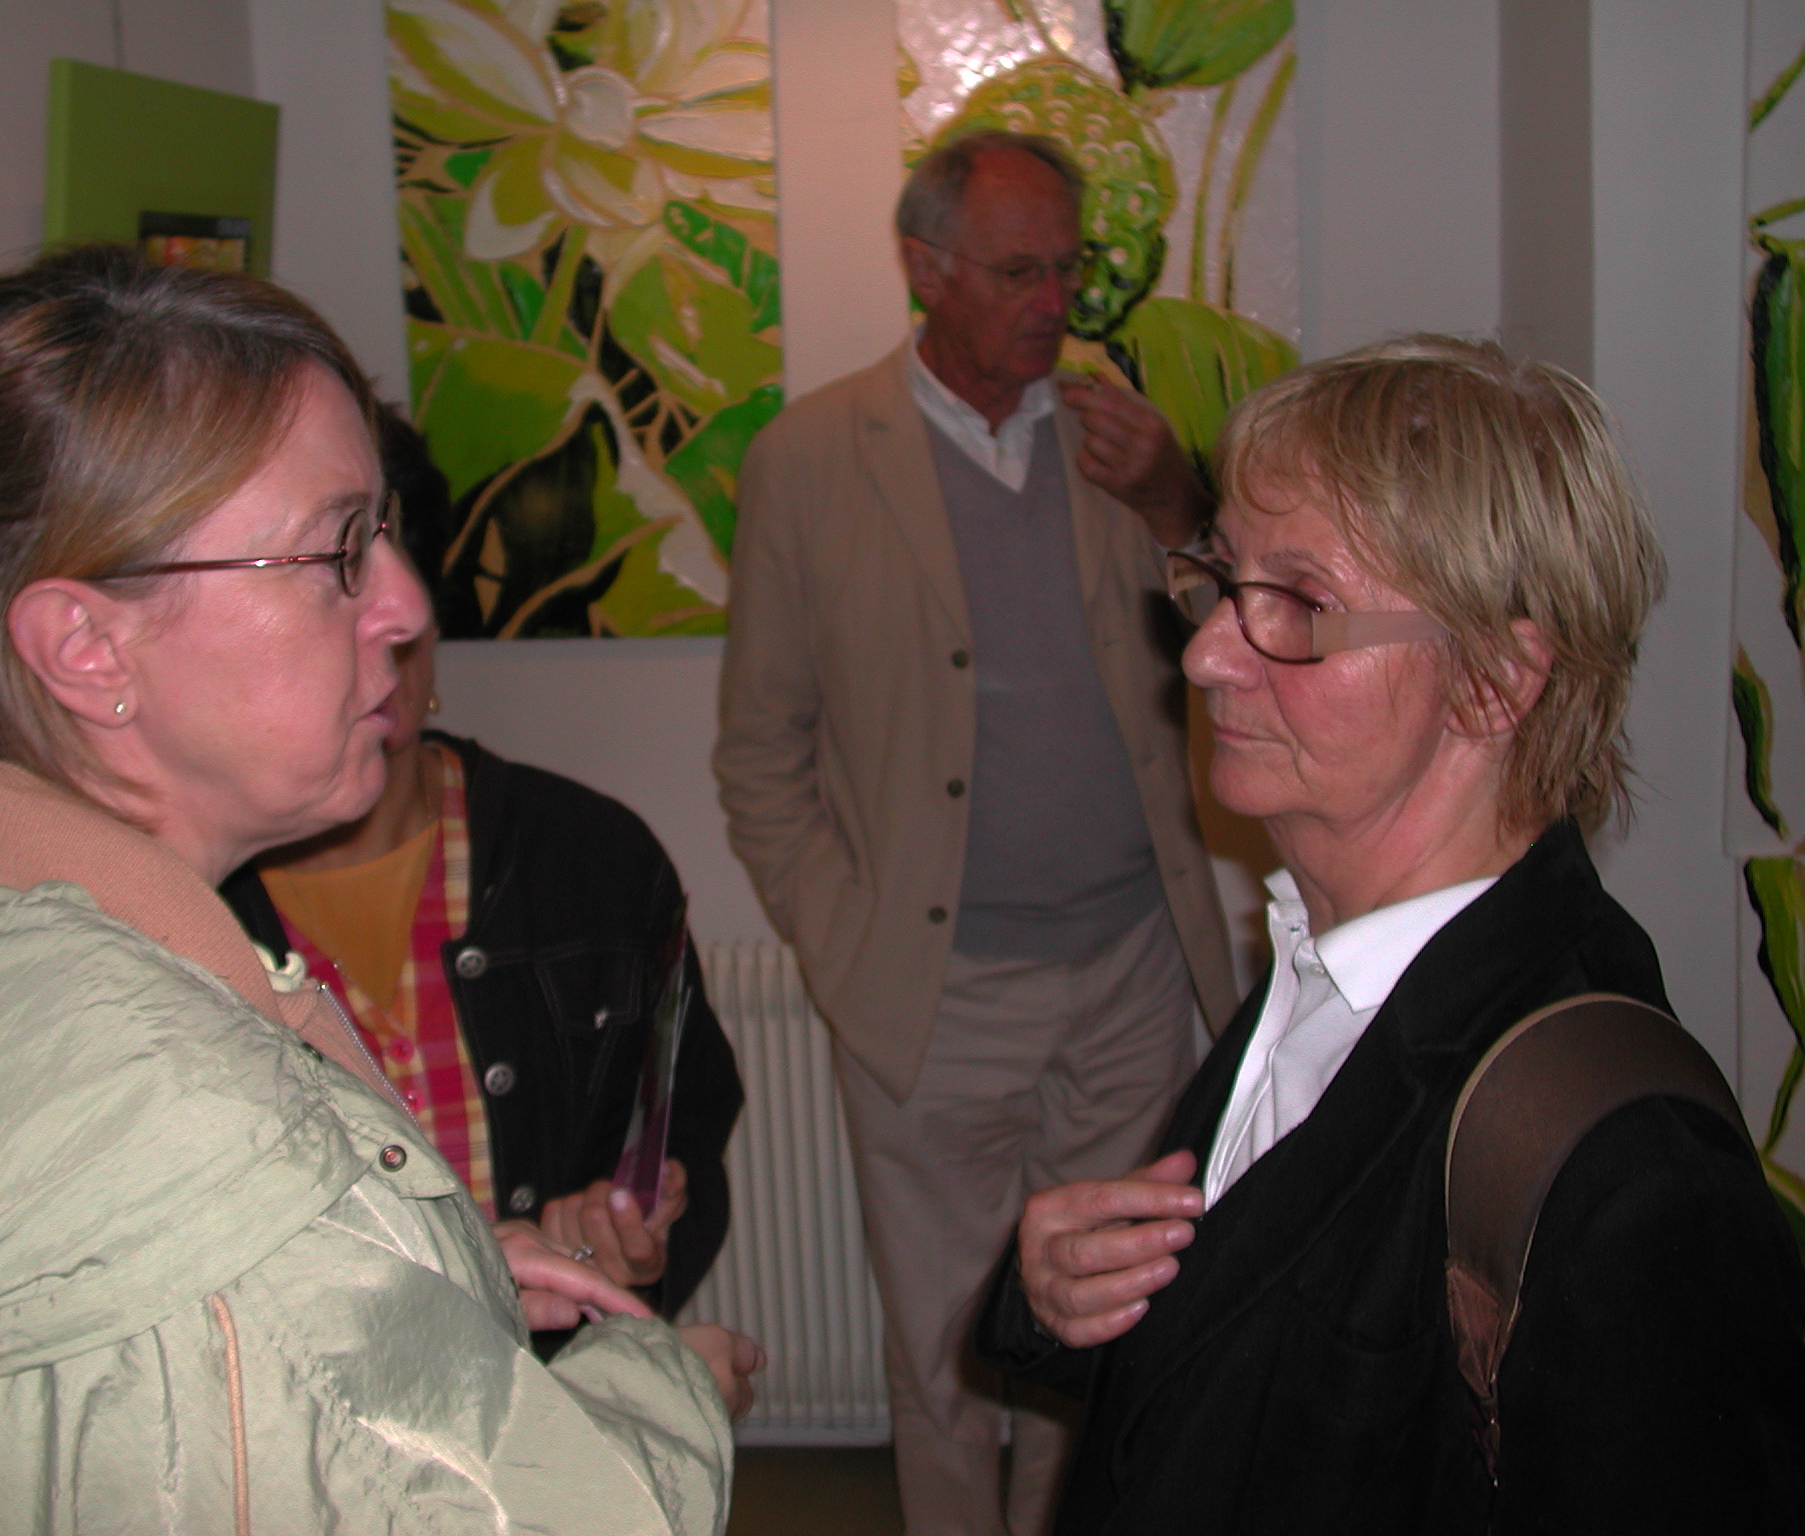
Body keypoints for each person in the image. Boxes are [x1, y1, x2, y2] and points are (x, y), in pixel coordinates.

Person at [0, 245, 758, 1533]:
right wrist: (666, 1388)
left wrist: (414, 1282)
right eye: (335, 552)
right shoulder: (184, 1143)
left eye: (383, 533)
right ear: (87, 648)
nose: (404, 606)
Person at [977, 335, 1805, 1532]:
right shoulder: (1320, 968)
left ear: (1493, 681)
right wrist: (1061, 1301)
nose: (1204, 653)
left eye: (1299, 604)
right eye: (1222, 575)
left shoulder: (1624, 1171)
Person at [715, 129, 1239, 1536]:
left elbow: (1235, 642)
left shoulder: (1118, 443)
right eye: (1016, 272)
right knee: (947, 1343)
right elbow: (759, 750)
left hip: (1131, 975)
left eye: (1066, 269)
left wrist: (1176, 499)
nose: (1052, 303)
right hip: (932, 995)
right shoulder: (809, 458)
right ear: (924, 267)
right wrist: (837, 934)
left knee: (1100, 1331)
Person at [220, 606, 745, 1318]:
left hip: (563, 1371)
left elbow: (688, 1124)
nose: (367, 626)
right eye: (318, 581)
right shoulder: (169, 897)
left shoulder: (591, 854)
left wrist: (621, 1242)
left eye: (379, 565)